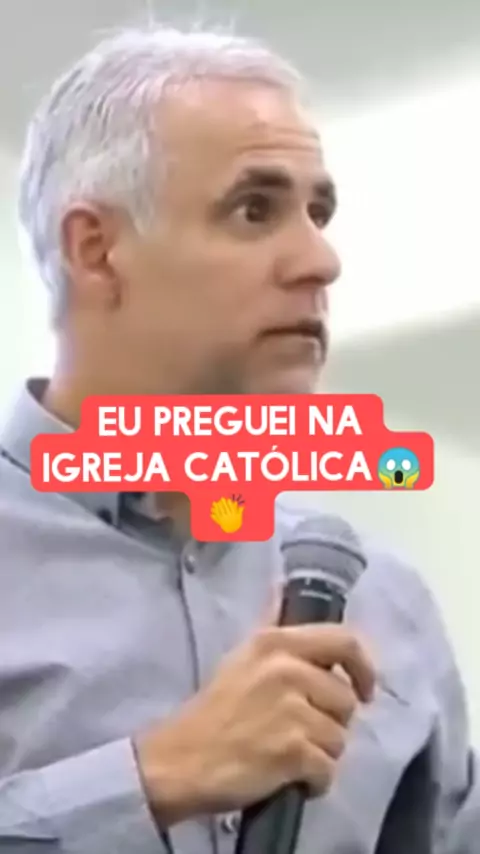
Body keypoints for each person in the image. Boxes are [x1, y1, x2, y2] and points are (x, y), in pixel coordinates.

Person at [0, 23, 477, 854]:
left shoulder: (385, 600)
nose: (321, 260)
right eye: (255, 209)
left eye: (319, 213)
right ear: (96, 250)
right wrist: (153, 777)